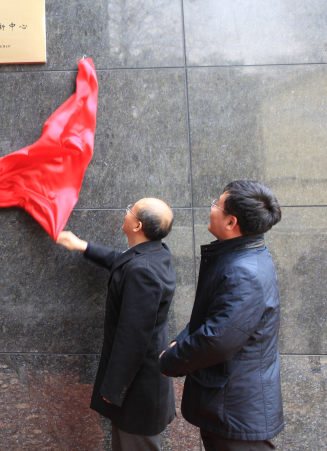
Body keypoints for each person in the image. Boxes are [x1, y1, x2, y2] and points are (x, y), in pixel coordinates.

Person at [160, 180, 283, 450]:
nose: (211, 209)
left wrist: (170, 360)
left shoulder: (243, 272)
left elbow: (217, 339)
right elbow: (213, 316)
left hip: (235, 409)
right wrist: (181, 340)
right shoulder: (241, 255)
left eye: (216, 205)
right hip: (232, 402)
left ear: (231, 222)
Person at [56, 198, 176, 451]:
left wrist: (114, 389)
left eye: (130, 210)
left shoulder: (142, 271)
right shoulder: (154, 253)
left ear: (137, 226)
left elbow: (133, 337)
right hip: (135, 383)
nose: (126, 212)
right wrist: (82, 246)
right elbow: (121, 260)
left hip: (136, 387)